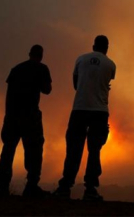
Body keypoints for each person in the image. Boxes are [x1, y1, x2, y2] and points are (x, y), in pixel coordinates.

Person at [54, 35, 116, 201]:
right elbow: (106, 83)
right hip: (100, 111)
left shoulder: (80, 59)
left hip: (79, 108)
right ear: (107, 47)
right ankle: (90, 189)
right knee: (94, 150)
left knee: (74, 149)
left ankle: (65, 187)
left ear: (93, 45)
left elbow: (76, 84)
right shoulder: (111, 64)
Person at [0, 45, 52, 197]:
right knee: (34, 150)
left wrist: (7, 116)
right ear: (41, 55)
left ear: (29, 54)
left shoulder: (16, 69)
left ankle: (3, 186)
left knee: (8, 149)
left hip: (12, 116)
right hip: (30, 116)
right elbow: (47, 90)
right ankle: (31, 186)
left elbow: (8, 94)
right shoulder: (42, 68)